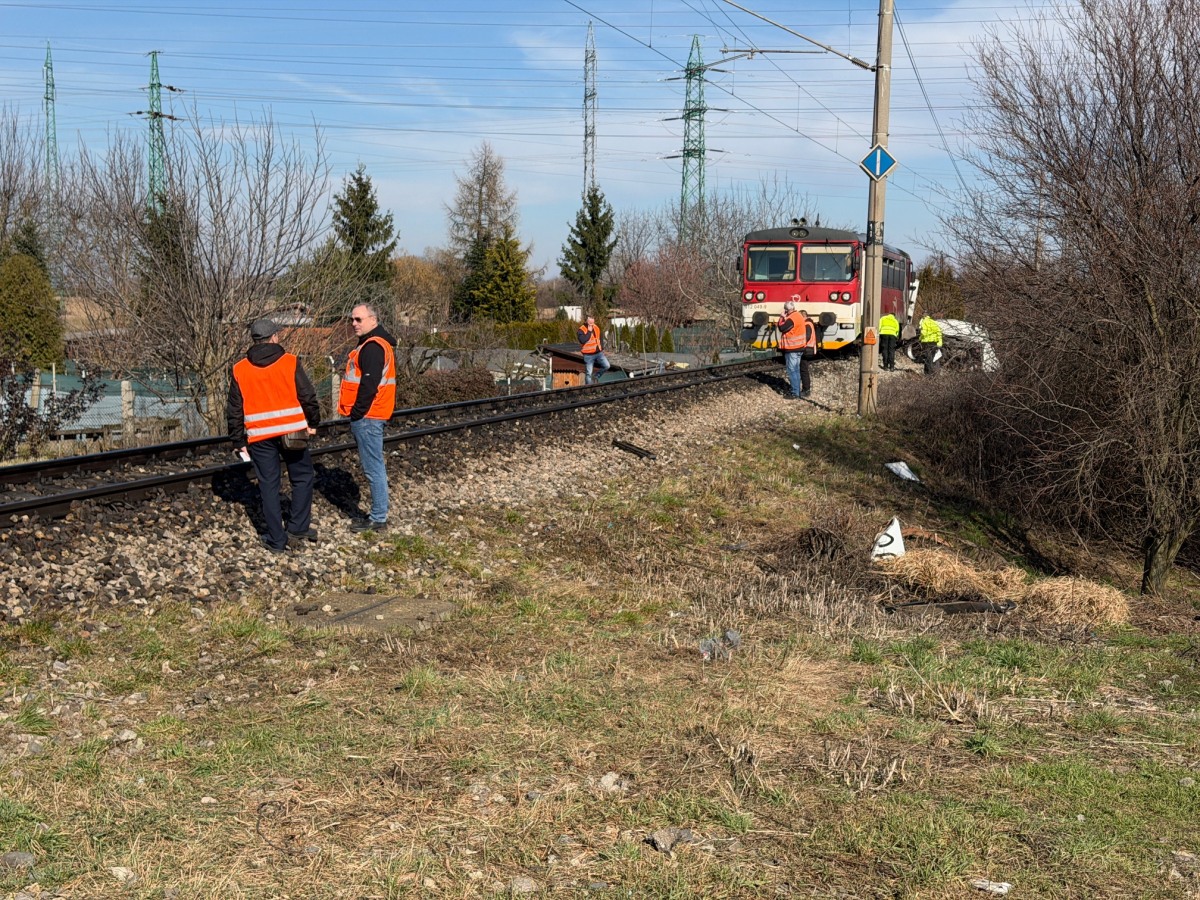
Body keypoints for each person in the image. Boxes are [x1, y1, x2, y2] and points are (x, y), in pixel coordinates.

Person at [227, 318, 320, 553]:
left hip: (259, 436)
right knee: (302, 477)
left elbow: (234, 408)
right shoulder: (290, 362)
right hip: (293, 431)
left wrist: (238, 440)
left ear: (254, 340)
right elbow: (307, 395)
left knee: (269, 485)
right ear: (275, 337)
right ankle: (298, 527)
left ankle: (277, 541)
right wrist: (313, 421)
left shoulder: (240, 368)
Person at [338, 303, 397, 532]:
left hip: (369, 416)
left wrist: (356, 413)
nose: (354, 323)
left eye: (358, 319)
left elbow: (368, 385)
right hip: (371, 414)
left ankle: (378, 518)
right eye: (352, 319)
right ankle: (378, 515)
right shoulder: (373, 345)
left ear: (373, 320)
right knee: (374, 467)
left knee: (373, 468)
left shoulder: (373, 347)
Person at [777, 301, 817, 399]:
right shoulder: (799, 316)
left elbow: (782, 328)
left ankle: (795, 392)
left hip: (792, 348)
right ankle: (797, 391)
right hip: (799, 348)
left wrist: (782, 317)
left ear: (786, 310)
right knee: (796, 370)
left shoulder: (792, 318)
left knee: (792, 371)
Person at [577, 315, 611, 385]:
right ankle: (589, 388)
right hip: (588, 355)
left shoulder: (596, 327)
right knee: (589, 373)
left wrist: (602, 349)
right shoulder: (581, 329)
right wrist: (589, 332)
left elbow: (600, 338)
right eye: (590, 322)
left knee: (607, 366)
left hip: (598, 353)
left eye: (592, 322)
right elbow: (582, 340)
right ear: (586, 321)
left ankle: (596, 376)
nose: (591, 324)